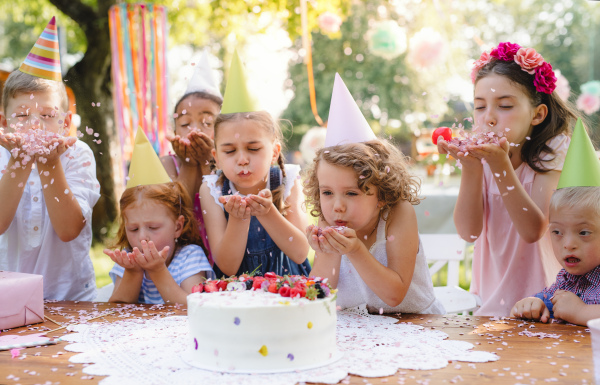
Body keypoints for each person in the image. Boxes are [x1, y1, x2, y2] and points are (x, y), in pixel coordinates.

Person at [437, 42, 579, 316]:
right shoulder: (482, 157)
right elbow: (469, 232)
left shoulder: (553, 153)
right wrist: (471, 167)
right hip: (491, 298)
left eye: (504, 105)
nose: (488, 118)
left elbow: (532, 230)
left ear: (537, 114)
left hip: (544, 300)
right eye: (479, 107)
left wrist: (500, 166)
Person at [304, 74, 444, 314]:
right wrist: (325, 252)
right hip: (360, 330)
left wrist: (355, 250)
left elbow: (394, 295)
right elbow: (317, 294)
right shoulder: (331, 218)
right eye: (327, 192)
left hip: (415, 325)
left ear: (381, 194)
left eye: (351, 193)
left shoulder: (397, 214)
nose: (337, 205)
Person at [0, 17, 100, 301]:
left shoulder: (78, 155)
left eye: (46, 116)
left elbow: (69, 230)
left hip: (73, 298)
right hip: (10, 297)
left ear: (65, 122)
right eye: (21, 115)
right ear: (3, 122)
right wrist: (18, 162)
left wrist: (49, 164)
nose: (34, 125)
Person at [200, 50, 311, 277]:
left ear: (274, 152)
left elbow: (300, 253)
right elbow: (228, 267)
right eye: (229, 151)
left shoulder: (286, 179)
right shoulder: (211, 190)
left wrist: (268, 213)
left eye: (253, 149)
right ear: (217, 157)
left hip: (288, 290)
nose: (242, 159)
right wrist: (238, 219)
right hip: (236, 292)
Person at [107, 130, 213, 304]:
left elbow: (192, 308)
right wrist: (133, 272)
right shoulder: (128, 259)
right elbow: (118, 311)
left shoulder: (189, 257)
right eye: (133, 229)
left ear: (177, 227)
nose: (142, 237)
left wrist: (157, 270)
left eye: (153, 227)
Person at [511, 120, 600, 326]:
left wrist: (582, 311)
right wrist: (533, 304)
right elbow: (548, 301)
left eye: (584, 232)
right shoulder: (566, 279)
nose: (568, 244)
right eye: (557, 231)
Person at [160, 52, 223, 263]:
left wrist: (208, 161)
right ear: (175, 129)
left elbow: (224, 207)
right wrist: (187, 163)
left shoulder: (231, 164)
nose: (195, 130)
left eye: (207, 122)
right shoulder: (167, 164)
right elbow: (174, 212)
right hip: (184, 260)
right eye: (186, 124)